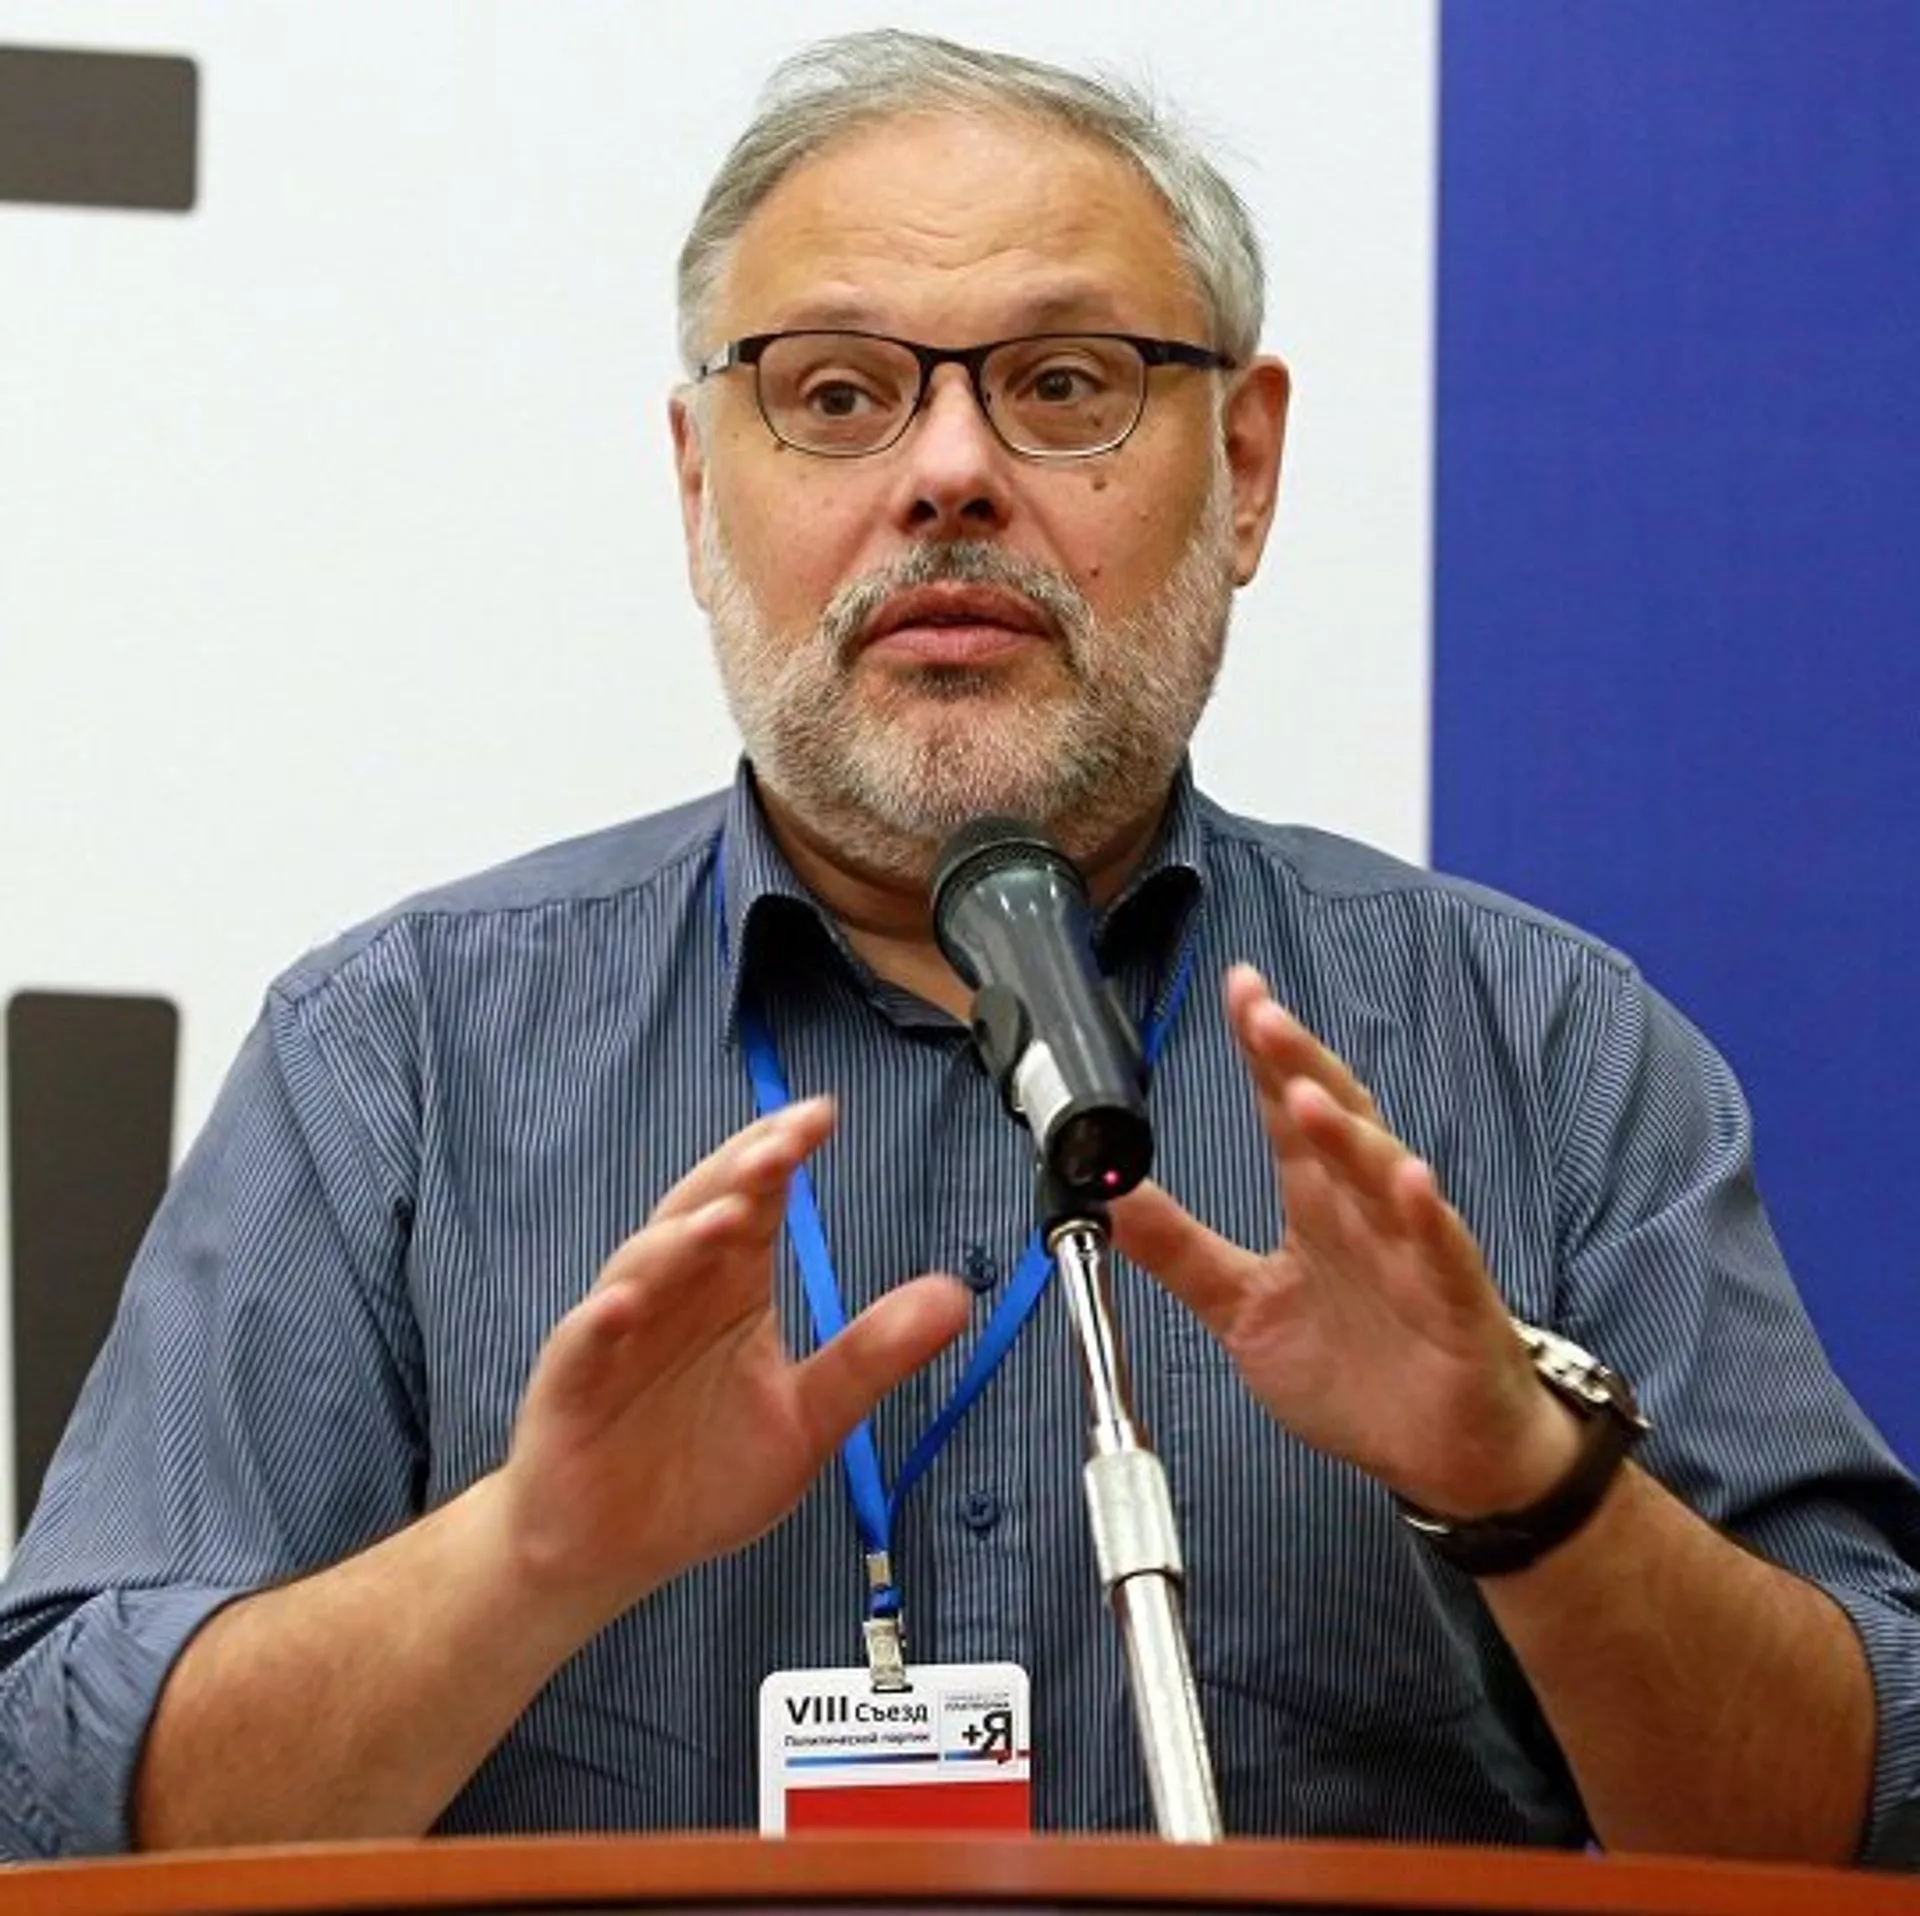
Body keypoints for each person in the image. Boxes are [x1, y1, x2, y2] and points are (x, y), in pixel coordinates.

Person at [3, 28, 1918, 1868]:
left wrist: (1533, 1488)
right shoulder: (399, 1055)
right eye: (838, 395)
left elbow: (1874, 1809)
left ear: (1246, 466)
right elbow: (57, 1799)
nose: (946, 473)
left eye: (1065, 384)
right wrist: (527, 1559)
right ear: (698, 483)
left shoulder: (1544, 1050)